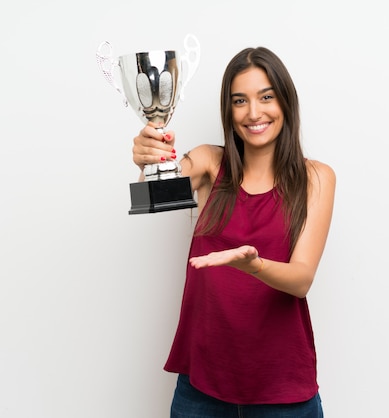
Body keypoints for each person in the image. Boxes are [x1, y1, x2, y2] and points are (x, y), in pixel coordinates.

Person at [132, 46, 336, 418]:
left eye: (267, 97)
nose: (254, 112)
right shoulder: (210, 163)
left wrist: (253, 264)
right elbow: (157, 193)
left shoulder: (316, 178)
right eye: (240, 100)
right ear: (229, 109)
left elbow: (301, 279)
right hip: (202, 389)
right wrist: (149, 159)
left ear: (285, 102)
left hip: (283, 391)